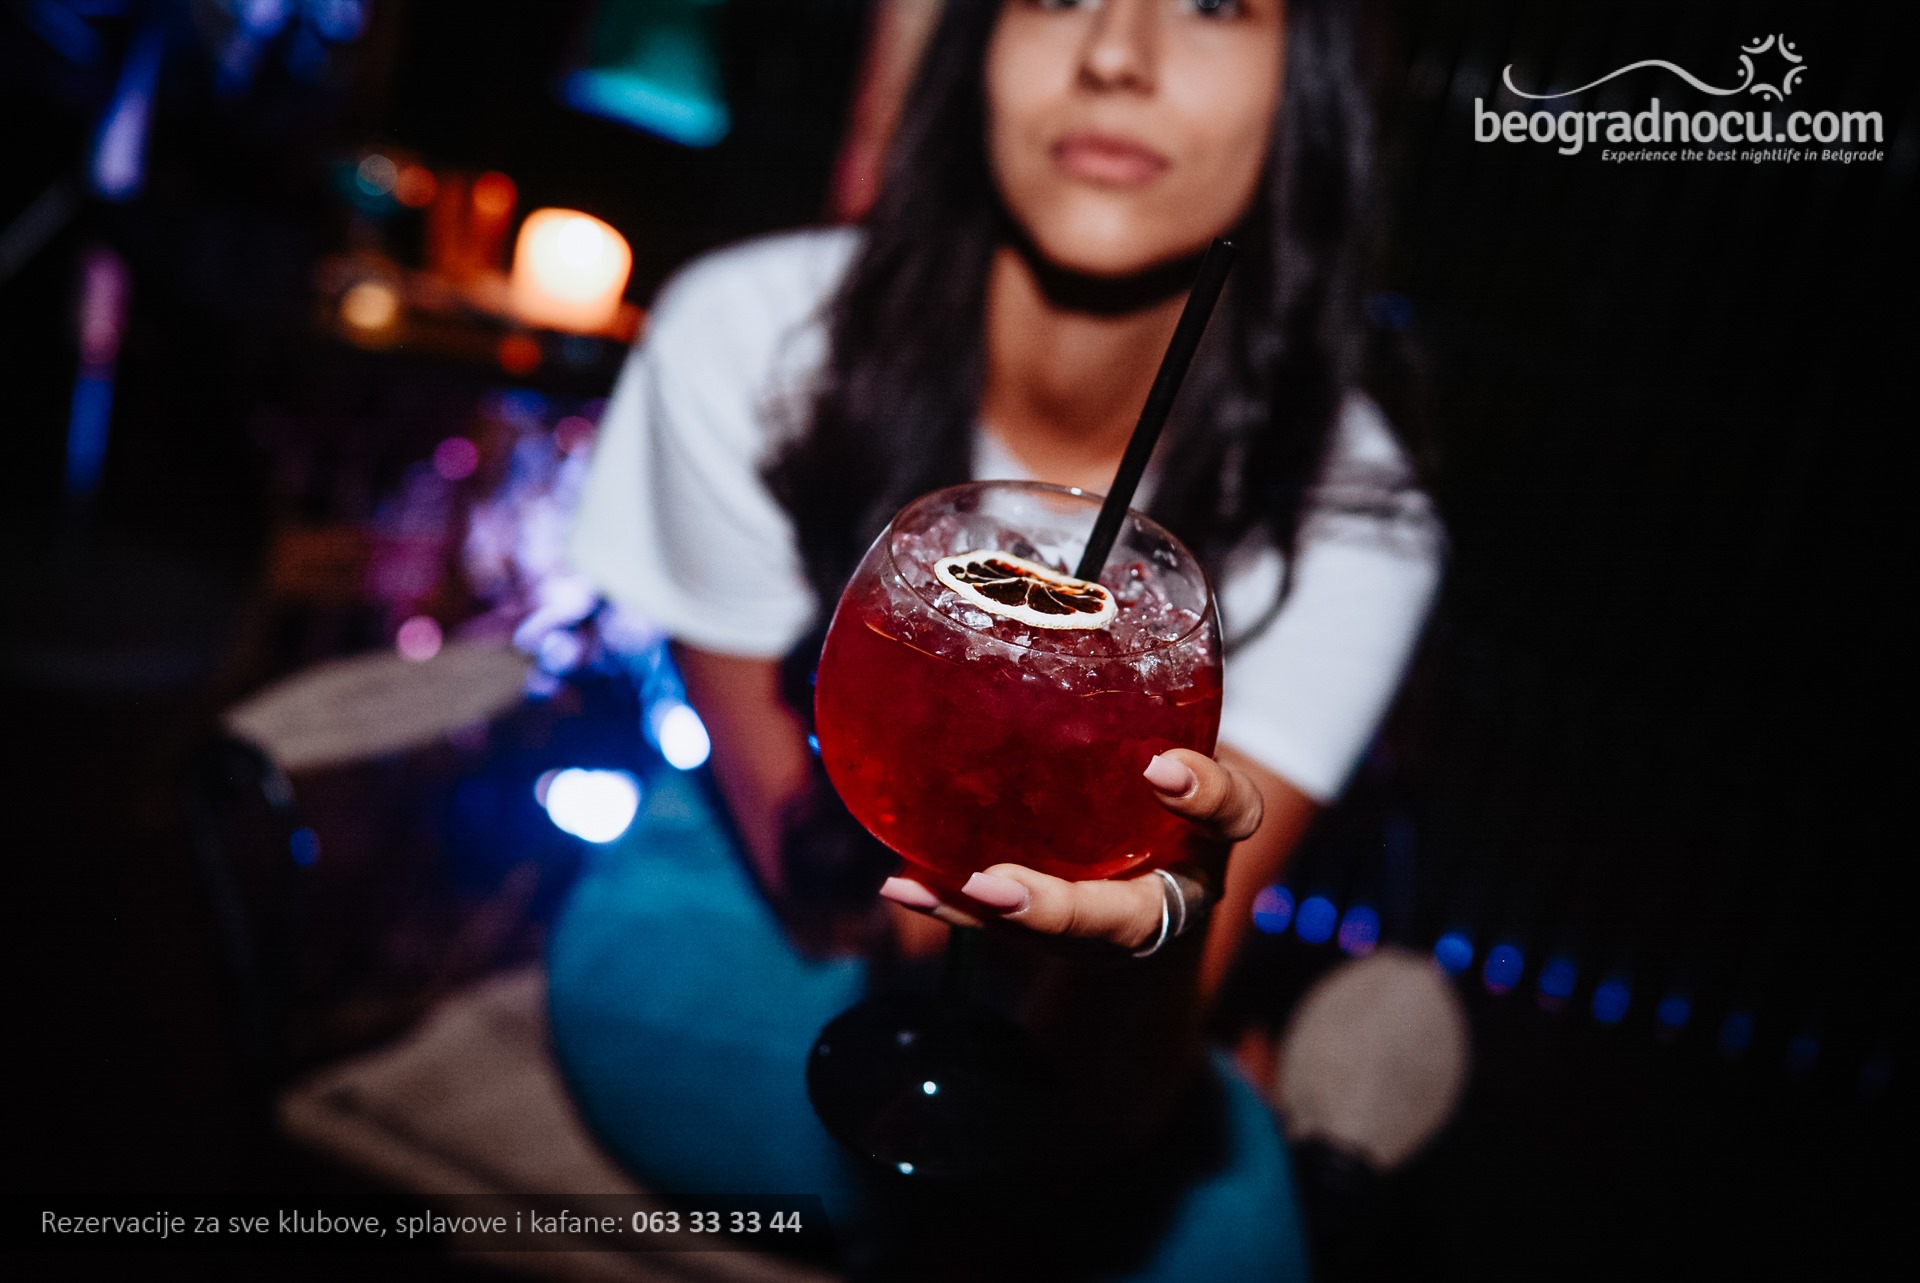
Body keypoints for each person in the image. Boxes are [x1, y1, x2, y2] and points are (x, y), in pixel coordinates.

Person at [550, 1, 1441, 1278]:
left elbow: (1116, 1069)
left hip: (1063, 1012)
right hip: (753, 904)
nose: (1116, 55)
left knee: (1216, 1223)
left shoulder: (1349, 511)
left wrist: (1162, 942)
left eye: (1210, 5)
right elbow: (824, 885)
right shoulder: (748, 339)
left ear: (1310, 86)